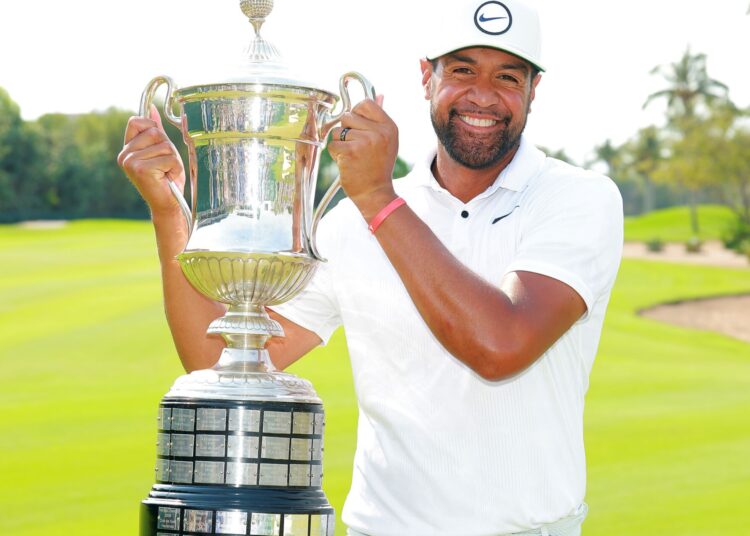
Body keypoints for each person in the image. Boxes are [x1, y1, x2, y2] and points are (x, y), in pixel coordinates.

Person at [119, 0, 623, 534]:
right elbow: (212, 356)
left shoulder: (577, 199)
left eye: (507, 76)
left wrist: (379, 199)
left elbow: (501, 345)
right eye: (462, 70)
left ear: (532, 90)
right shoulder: (351, 221)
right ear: (426, 77)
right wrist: (168, 209)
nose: (483, 94)